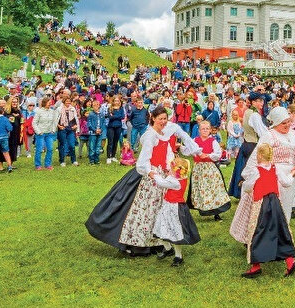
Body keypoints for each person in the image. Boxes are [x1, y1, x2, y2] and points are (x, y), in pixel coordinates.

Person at [85, 106, 201, 256]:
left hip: (163, 174)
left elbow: (179, 140)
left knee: (159, 210)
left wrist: (193, 151)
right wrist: (151, 173)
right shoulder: (150, 136)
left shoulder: (166, 131)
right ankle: (138, 243)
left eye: (165, 119)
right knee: (144, 210)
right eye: (160, 119)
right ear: (153, 118)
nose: (163, 122)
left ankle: (159, 242)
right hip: (151, 175)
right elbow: (143, 160)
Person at [229, 106, 295, 245]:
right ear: (275, 122)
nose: (287, 125)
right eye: (283, 123)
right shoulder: (269, 135)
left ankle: (281, 238)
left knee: (285, 208)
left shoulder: (293, 135)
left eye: (288, 121)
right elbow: (258, 155)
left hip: (289, 175)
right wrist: (249, 176)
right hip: (272, 175)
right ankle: (262, 239)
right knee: (270, 209)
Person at [239, 143, 295, 279]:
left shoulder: (255, 171)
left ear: (259, 155)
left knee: (257, 231)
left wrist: (246, 185)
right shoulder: (275, 168)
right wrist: (292, 173)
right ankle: (290, 261)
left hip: (261, 204)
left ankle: (256, 266)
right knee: (281, 229)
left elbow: (248, 187)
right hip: (275, 203)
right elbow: (287, 182)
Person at [151, 156, 200, 267]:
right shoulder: (181, 178)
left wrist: (155, 174)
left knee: (174, 232)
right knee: (161, 229)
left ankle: (178, 256)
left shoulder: (175, 182)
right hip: (168, 207)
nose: (169, 169)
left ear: (176, 170)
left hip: (175, 208)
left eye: (171, 167)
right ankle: (168, 249)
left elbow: (161, 183)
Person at [227, 91, 267, 198]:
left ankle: (242, 191)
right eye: (259, 101)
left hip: (246, 143)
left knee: (243, 168)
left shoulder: (247, 112)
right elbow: (261, 132)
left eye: (262, 101)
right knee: (252, 169)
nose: (261, 103)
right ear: (253, 102)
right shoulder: (254, 115)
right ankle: (250, 191)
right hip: (252, 145)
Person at [188, 120, 231, 220]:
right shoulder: (195, 140)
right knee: (200, 189)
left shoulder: (213, 141)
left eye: (207, 129)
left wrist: (208, 155)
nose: (205, 130)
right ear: (199, 130)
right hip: (198, 168)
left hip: (209, 169)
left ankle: (216, 212)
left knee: (213, 189)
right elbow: (189, 150)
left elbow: (218, 154)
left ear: (210, 130)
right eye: (203, 129)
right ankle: (202, 207)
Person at [33, 97, 59, 171]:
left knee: (50, 149)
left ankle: (48, 164)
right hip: (41, 133)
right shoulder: (39, 111)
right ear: (44, 103)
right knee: (39, 149)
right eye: (48, 102)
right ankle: (38, 165)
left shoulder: (52, 111)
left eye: (50, 102)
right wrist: (38, 131)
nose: (50, 103)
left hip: (49, 133)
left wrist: (53, 130)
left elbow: (54, 121)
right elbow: (34, 123)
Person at [87, 101, 104, 165]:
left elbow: (103, 123)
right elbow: (89, 124)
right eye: (94, 105)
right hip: (93, 133)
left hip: (100, 133)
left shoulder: (101, 114)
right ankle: (91, 161)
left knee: (98, 147)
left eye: (97, 105)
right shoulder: (91, 114)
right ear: (92, 106)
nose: (96, 106)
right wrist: (94, 130)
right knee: (92, 147)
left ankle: (97, 160)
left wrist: (101, 129)